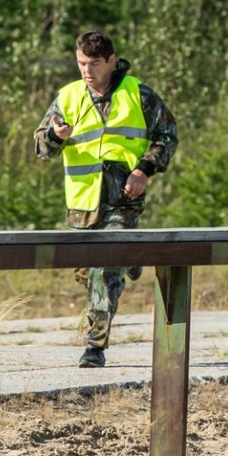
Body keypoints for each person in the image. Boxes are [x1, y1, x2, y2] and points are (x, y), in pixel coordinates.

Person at [34, 30, 178, 367]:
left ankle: (94, 347)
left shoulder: (138, 94)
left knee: (103, 272)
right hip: (82, 205)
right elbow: (40, 147)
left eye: (94, 63)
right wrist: (55, 136)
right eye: (81, 63)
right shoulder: (67, 97)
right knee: (87, 272)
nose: (86, 70)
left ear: (111, 61)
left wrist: (144, 169)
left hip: (122, 199)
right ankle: (130, 256)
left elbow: (167, 136)